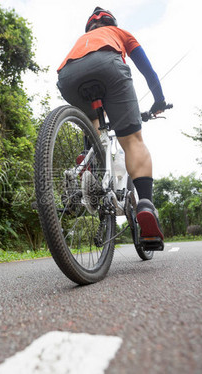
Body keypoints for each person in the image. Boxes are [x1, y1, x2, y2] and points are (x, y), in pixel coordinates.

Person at [57, 6, 167, 240]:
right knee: (133, 141)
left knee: (96, 124)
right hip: (108, 66)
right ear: (112, 23)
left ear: (90, 27)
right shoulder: (121, 33)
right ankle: (146, 205)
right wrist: (159, 100)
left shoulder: (82, 39)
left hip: (68, 77)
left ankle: (87, 160)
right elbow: (148, 70)